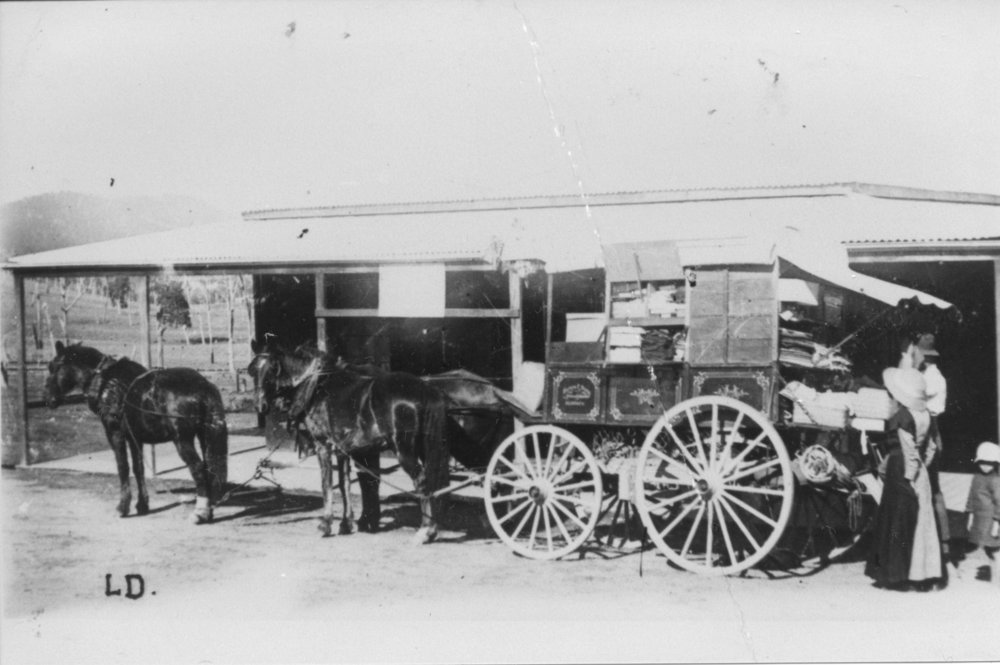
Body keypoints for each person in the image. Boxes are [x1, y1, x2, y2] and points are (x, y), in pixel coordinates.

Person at [865, 367, 943, 590]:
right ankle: (921, 574)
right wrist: (922, 471)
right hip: (920, 471)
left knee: (897, 520)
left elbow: (907, 450)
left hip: (901, 469)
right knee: (922, 522)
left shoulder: (902, 417)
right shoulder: (925, 414)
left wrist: (909, 476)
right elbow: (930, 447)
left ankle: (896, 576)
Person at [913, 333, 954, 577]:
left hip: (930, 432)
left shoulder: (931, 378)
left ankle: (942, 546)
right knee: (932, 489)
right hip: (930, 429)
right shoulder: (928, 376)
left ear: (924, 356)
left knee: (932, 490)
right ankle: (940, 546)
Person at [959, 442, 1000, 583]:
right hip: (978, 519)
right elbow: (971, 497)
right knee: (983, 547)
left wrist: (996, 522)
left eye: (989, 463)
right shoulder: (977, 477)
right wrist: (970, 514)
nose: (985, 466)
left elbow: (999, 502)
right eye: (982, 462)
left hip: (990, 521)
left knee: (994, 548)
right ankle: (992, 572)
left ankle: (997, 576)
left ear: (996, 463)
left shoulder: (996, 480)